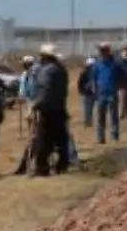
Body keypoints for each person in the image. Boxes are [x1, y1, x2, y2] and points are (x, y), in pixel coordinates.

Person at [30, 44, 70, 177]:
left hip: (47, 109)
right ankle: (63, 164)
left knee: (44, 139)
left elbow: (44, 90)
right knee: (61, 138)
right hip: (59, 107)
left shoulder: (47, 70)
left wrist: (35, 104)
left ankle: (42, 168)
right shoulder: (61, 69)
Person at [91, 43, 124, 144]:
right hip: (101, 94)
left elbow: (121, 76)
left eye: (103, 50)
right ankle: (101, 138)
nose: (101, 52)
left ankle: (114, 137)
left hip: (112, 93)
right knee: (100, 117)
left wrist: (118, 87)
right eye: (100, 50)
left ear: (107, 51)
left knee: (113, 116)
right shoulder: (97, 64)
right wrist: (94, 91)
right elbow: (93, 78)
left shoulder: (115, 63)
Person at [77, 56, 96, 127]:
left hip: (87, 93)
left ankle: (88, 122)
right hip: (91, 92)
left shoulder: (84, 72)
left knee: (87, 109)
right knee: (90, 109)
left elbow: (79, 82)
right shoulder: (93, 71)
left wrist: (81, 91)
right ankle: (88, 122)